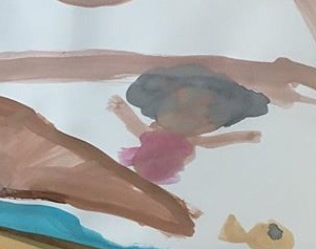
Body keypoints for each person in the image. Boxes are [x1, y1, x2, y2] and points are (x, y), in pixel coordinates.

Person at [108, 64, 270, 185]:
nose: (183, 163)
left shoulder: (154, 134)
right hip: (203, 103)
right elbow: (213, 142)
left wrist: (120, 108)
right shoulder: (184, 137)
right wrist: (244, 137)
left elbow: (133, 123)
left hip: (190, 99)